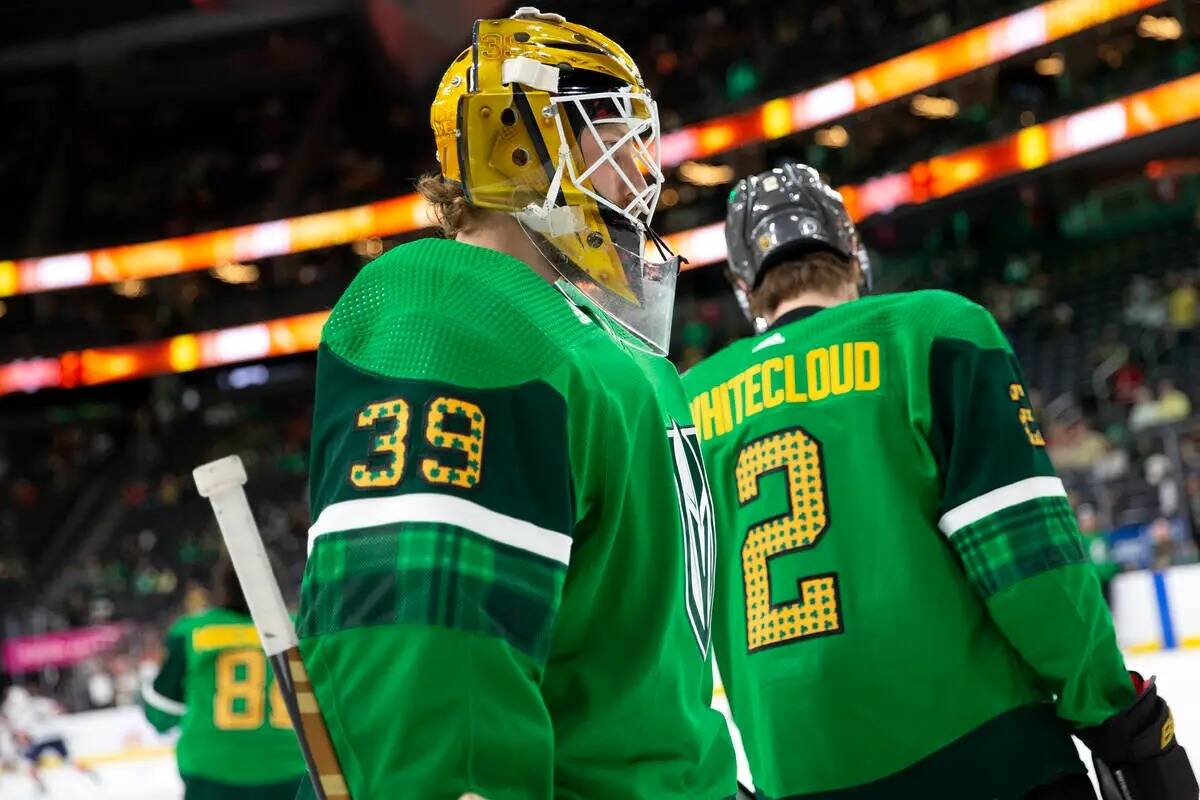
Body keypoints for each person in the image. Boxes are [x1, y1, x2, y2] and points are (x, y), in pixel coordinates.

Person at [293, 7, 735, 799]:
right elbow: (431, 672)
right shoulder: (453, 310)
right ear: (516, 144)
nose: (642, 172)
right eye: (610, 135)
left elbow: (635, 669)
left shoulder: (612, 351)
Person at [682, 163, 1197, 800]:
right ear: (851, 250)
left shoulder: (685, 404)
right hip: (986, 755)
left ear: (743, 283)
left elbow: (666, 629)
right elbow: (1025, 558)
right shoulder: (933, 330)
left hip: (800, 773)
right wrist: (1115, 711)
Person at [142, 556, 306, 799]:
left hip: (211, 773)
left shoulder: (191, 631)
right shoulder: (303, 630)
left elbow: (161, 714)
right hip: (291, 772)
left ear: (220, 588)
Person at [2, 682, 99, 793]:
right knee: (69, 760)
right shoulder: (40, 702)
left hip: (39, 739)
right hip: (54, 735)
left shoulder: (17, 711)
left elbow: (21, 732)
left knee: (28, 763)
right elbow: (58, 709)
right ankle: (88, 772)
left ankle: (40, 785)